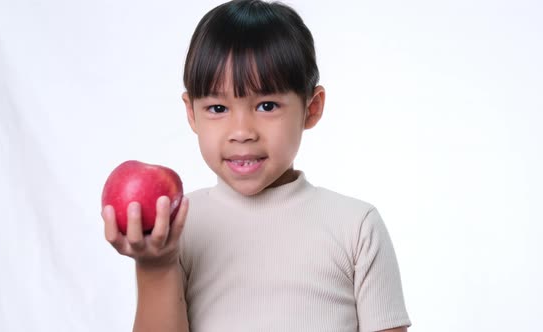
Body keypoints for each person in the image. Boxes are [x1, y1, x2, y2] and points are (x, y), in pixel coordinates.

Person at [102, 0, 411, 331]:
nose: (241, 132)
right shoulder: (176, 228)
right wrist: (156, 266)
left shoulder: (356, 227)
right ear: (191, 113)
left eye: (266, 105)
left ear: (312, 108)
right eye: (217, 108)